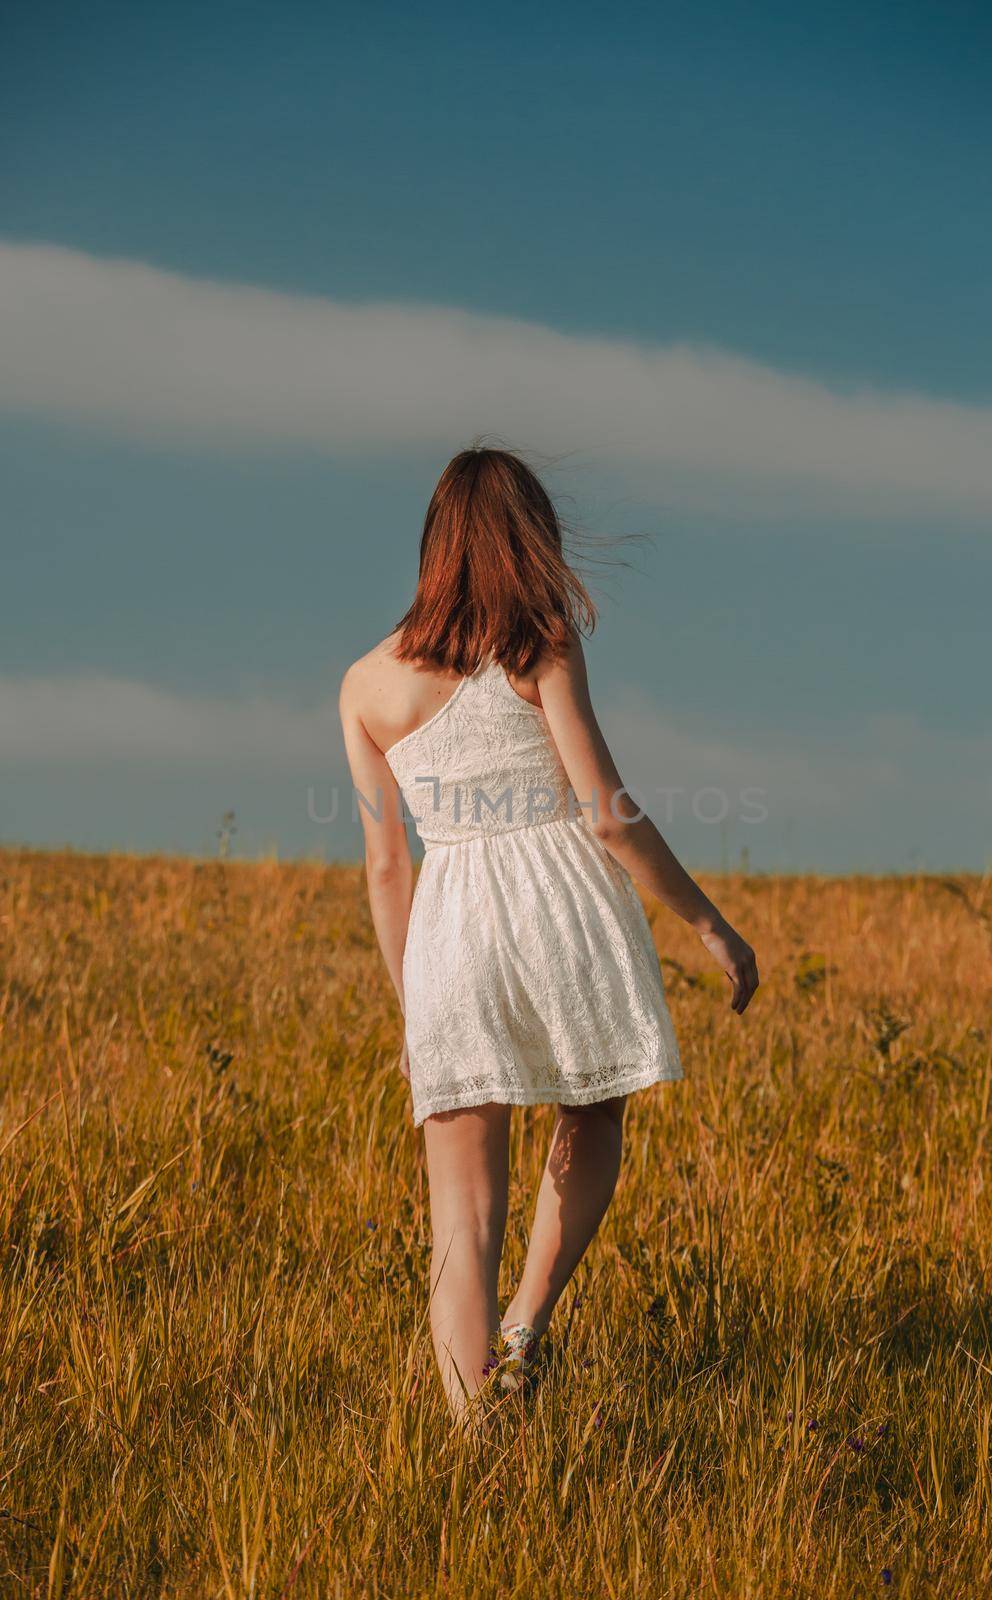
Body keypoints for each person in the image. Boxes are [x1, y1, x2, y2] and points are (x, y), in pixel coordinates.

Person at [338, 445, 758, 1423]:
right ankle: (525, 1324)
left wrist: (415, 1008)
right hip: (557, 903)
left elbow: (384, 864)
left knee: (460, 1207)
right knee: (593, 1111)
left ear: (433, 544)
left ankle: (470, 1429)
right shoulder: (539, 641)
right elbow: (605, 813)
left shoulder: (363, 683)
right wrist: (708, 923)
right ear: (526, 538)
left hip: (448, 926)